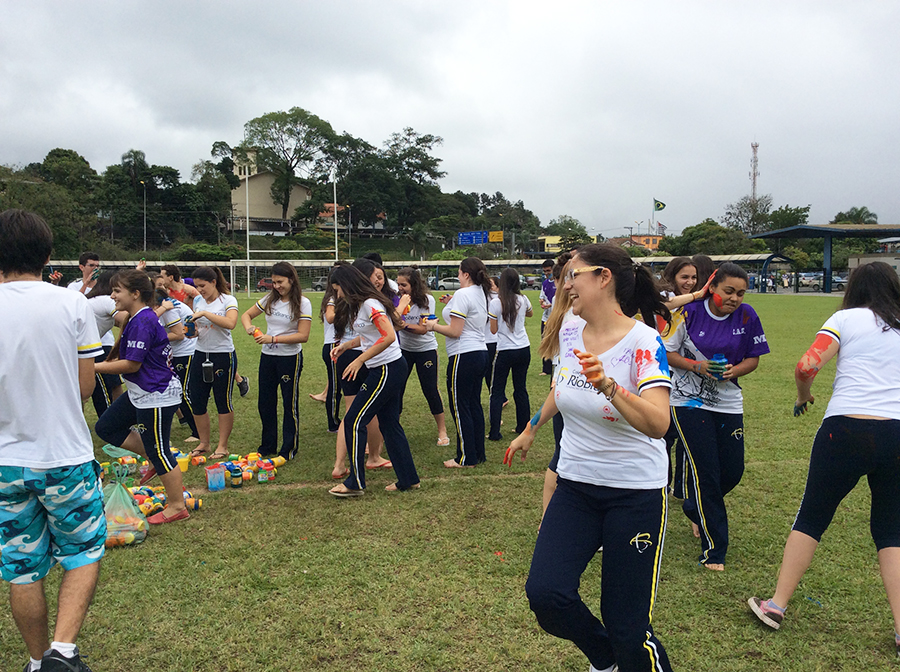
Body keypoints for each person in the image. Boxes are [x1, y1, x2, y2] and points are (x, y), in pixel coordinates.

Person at [505, 242, 674, 672]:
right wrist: (531, 428)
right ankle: (605, 658)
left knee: (628, 627)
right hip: (576, 486)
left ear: (603, 278)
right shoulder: (567, 331)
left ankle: (623, 653)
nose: (566, 285)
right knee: (546, 594)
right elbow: (562, 389)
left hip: (633, 494)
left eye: (572, 275)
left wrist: (611, 388)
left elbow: (658, 423)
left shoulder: (643, 341)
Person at [749, 262, 900, 658]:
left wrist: (803, 396)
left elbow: (807, 365)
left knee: (812, 516)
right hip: (898, 433)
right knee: (892, 531)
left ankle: (777, 605)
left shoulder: (845, 318)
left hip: (845, 429)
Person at [0, 209, 106, 672]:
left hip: (4, 462)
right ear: (48, 256)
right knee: (82, 552)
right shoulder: (72, 304)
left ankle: (35, 661)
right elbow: (87, 386)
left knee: (21, 568)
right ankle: (62, 651)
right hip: (64, 453)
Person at [664, 262, 769, 570]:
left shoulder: (748, 315)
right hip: (687, 402)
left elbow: (753, 358)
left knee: (733, 471)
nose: (735, 298)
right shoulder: (688, 312)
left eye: (741, 293)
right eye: (729, 291)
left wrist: (734, 371)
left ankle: (695, 506)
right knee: (707, 473)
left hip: (728, 401)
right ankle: (715, 550)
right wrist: (698, 367)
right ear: (712, 288)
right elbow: (666, 352)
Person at [94, 270, 189, 524]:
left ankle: (177, 506)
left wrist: (92, 367)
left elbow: (132, 365)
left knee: (159, 450)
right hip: (141, 392)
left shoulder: (144, 321)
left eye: (117, 291)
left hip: (157, 394)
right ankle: (153, 458)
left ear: (135, 294)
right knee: (107, 427)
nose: (112, 295)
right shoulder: (137, 318)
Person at [328, 265, 420, 496]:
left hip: (387, 369)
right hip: (385, 368)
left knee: (354, 420)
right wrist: (347, 345)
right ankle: (408, 479)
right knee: (389, 424)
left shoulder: (370, 304)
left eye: (338, 290)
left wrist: (360, 361)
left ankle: (355, 482)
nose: (337, 295)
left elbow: (389, 336)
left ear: (348, 286)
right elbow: (371, 335)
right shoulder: (360, 305)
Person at [240, 262, 312, 460]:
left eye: (280, 282)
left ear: (291, 280)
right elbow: (246, 315)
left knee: (289, 403)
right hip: (268, 357)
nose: (277, 286)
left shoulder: (303, 303)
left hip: (289, 358)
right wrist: (249, 327)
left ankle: (288, 449)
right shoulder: (270, 299)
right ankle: (267, 446)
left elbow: (303, 335)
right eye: (273, 282)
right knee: (265, 402)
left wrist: (273, 339)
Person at [424, 257, 491, 468]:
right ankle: (477, 453)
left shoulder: (464, 294)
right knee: (473, 405)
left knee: (460, 407)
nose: (458, 276)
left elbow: (455, 331)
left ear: (466, 274)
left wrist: (432, 326)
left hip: (463, 355)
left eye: (459, 272)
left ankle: (465, 457)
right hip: (479, 352)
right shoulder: (481, 292)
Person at [185, 266, 239, 460]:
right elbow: (198, 329)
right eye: (197, 286)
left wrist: (206, 315)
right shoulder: (198, 301)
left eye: (203, 285)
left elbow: (231, 323)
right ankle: (204, 443)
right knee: (197, 399)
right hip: (200, 354)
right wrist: (191, 331)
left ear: (214, 282)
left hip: (222, 355)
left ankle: (222, 446)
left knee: (222, 400)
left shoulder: (228, 300)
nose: (199, 290)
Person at [396, 266, 450, 446]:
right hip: (403, 350)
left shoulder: (427, 300)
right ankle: (392, 429)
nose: (400, 288)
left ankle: (442, 431)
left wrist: (402, 325)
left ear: (414, 284)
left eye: (404, 285)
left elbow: (423, 329)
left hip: (425, 350)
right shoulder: (398, 300)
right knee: (397, 389)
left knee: (430, 390)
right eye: (398, 284)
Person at [151, 276, 199, 442]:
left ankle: (198, 432)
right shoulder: (164, 307)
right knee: (174, 390)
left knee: (183, 392)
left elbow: (178, 335)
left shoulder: (170, 310)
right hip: (175, 353)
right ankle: (184, 420)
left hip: (185, 353)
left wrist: (153, 338)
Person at [488, 268, 533, 441]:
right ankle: (523, 426)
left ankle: (494, 432)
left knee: (497, 391)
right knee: (520, 389)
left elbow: (493, 330)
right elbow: (530, 313)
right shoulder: (523, 299)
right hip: (523, 348)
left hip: (505, 349)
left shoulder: (496, 303)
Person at [84, 271, 127, 416]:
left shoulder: (95, 300)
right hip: (88, 350)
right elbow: (131, 320)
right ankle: (111, 424)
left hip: (80, 350)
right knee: (104, 389)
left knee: (83, 391)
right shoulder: (106, 300)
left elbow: (120, 324)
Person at [538, 258, 555, 375]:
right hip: (546, 317)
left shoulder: (560, 283)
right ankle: (546, 369)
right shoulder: (544, 283)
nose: (546, 273)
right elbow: (542, 297)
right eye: (544, 271)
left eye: (548, 271)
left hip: (556, 317)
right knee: (545, 342)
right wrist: (542, 302)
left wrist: (552, 304)